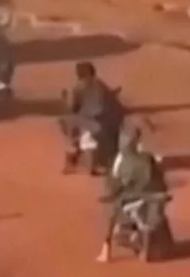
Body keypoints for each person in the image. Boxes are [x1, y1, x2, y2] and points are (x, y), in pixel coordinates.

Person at [98, 124, 168, 262]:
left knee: (114, 212)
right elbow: (161, 176)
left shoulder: (121, 159)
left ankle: (108, 247)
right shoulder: (149, 156)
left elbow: (114, 186)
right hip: (156, 199)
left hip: (134, 200)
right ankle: (147, 245)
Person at [61, 62, 123, 174]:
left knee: (69, 124)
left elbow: (72, 107)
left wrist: (65, 98)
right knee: (85, 131)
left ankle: (71, 162)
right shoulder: (100, 84)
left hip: (91, 123)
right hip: (107, 123)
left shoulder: (78, 87)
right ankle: (92, 163)